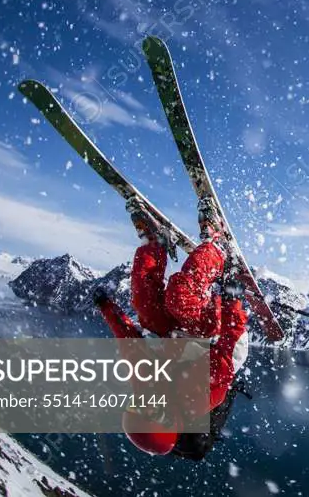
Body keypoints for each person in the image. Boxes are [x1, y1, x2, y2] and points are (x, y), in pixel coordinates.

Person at [92, 197, 250, 460]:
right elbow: (227, 346)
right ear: (169, 418)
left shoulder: (146, 389)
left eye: (135, 406)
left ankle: (155, 243)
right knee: (179, 297)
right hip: (219, 339)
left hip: (178, 339)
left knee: (144, 303)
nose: (144, 402)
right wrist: (232, 299)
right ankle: (218, 248)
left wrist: (106, 307)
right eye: (149, 410)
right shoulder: (198, 398)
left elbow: (129, 343)